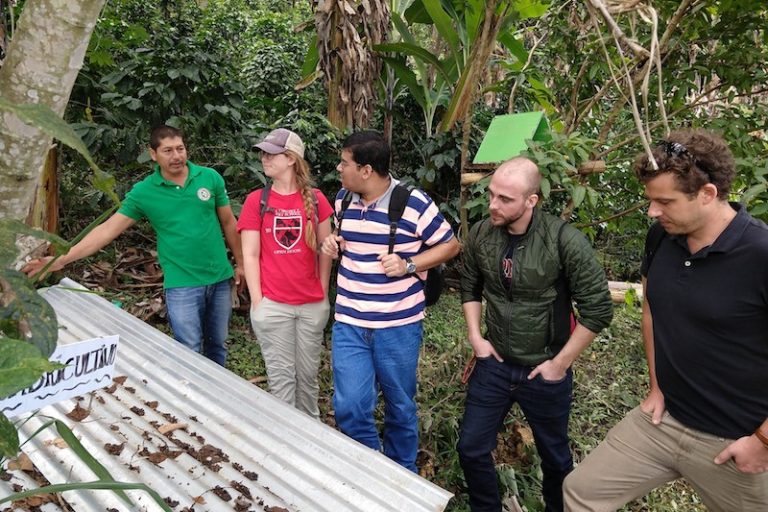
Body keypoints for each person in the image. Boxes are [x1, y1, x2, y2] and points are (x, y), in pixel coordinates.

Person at [563, 129, 768, 510]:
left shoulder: (760, 254)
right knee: (581, 492)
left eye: (664, 201)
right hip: (663, 421)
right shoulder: (661, 236)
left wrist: (763, 442)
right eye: (650, 200)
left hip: (735, 440)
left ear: (707, 194)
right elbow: (651, 309)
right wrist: (657, 387)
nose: (652, 211)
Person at [458, 157, 613, 512]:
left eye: (505, 199)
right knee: (471, 448)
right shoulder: (483, 233)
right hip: (494, 364)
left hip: (544, 370)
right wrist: (475, 337)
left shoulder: (563, 240)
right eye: (492, 194)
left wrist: (560, 364)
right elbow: (469, 285)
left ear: (532, 200)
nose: (493, 204)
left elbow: (599, 309)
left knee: (555, 458)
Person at [24, 125, 243, 367]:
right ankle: (192, 399)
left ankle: (217, 399)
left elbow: (228, 222)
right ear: (153, 154)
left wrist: (241, 264)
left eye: (180, 149)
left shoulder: (209, 178)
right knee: (188, 350)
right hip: (182, 284)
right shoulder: (144, 192)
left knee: (218, 345)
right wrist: (62, 259)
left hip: (220, 278)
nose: (176, 156)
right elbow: (107, 230)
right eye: (168, 150)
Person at [320, 130, 460, 472]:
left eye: (344, 163)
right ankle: (374, 469)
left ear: (366, 170)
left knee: (399, 404)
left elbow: (451, 245)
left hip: (398, 325)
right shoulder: (344, 199)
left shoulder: (412, 202)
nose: (339, 168)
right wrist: (333, 243)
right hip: (351, 322)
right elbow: (342, 236)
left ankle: (402, 474)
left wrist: (409, 264)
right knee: (350, 405)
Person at [237, 128, 333, 418]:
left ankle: (312, 443)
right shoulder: (257, 200)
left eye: (271, 153)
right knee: (282, 383)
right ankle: (285, 446)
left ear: (291, 158)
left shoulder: (317, 200)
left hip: (311, 304)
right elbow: (250, 255)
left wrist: (323, 294)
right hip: (274, 304)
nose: (264, 158)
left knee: (308, 380)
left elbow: (325, 253)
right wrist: (258, 302)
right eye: (263, 153)